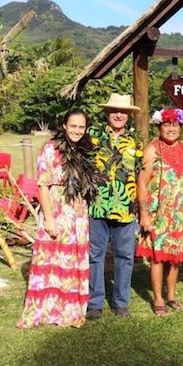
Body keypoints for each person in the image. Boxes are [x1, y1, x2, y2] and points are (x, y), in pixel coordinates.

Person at [18, 109, 100, 328]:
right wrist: (49, 219)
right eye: (73, 126)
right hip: (56, 207)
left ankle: (70, 310)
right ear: (64, 125)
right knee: (52, 258)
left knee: (72, 258)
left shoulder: (84, 150)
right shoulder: (51, 149)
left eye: (81, 127)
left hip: (78, 212)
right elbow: (43, 185)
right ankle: (47, 309)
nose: (77, 130)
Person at [86, 94, 142, 320]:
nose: (119, 115)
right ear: (107, 113)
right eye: (114, 111)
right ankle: (95, 303)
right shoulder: (92, 137)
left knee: (125, 257)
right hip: (97, 206)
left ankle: (121, 303)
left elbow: (140, 173)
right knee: (95, 256)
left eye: (123, 112)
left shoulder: (136, 142)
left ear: (128, 115)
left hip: (125, 208)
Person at [136, 108, 183, 316]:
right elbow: (142, 183)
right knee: (157, 256)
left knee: (176, 257)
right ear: (159, 126)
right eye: (166, 125)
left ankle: (171, 295)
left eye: (174, 125)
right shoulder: (152, 149)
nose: (171, 129)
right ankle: (158, 299)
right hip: (159, 213)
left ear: (180, 127)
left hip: (182, 212)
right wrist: (144, 214)